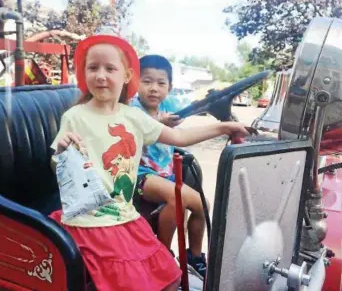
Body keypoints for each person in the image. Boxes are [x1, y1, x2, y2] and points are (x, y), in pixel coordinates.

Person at [50, 35, 249, 291]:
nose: (101, 75)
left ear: (126, 75)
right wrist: (62, 151)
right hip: (92, 219)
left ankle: (194, 256)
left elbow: (179, 137)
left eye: (110, 68)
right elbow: (58, 168)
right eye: (93, 68)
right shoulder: (75, 116)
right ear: (84, 73)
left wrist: (224, 126)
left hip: (124, 214)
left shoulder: (133, 116)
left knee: (170, 278)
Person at [130, 55, 206, 277]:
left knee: (203, 206)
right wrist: (160, 122)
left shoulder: (169, 104)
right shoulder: (132, 109)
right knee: (179, 197)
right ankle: (161, 254)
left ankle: (195, 256)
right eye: (147, 81)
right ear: (135, 82)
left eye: (161, 83)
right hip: (140, 176)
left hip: (168, 176)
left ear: (170, 87)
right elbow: (140, 128)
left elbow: (191, 109)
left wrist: (210, 102)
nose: (154, 89)